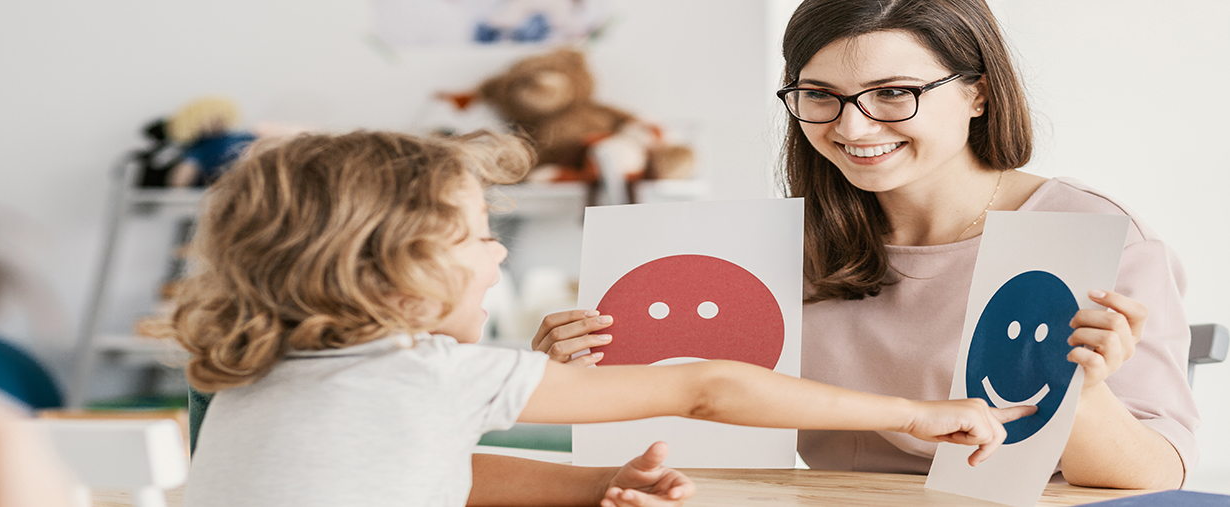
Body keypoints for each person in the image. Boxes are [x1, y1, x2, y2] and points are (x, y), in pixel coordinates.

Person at [158, 129, 1030, 507]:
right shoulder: (431, 371)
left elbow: (432, 471)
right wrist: (917, 413)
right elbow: (706, 385)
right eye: (479, 236)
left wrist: (594, 484)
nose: (497, 256)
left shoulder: (257, 375)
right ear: (388, 272)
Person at [535, 0, 1198, 491]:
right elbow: (708, 415)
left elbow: (1154, 475)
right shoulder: (776, 248)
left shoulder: (1085, 234)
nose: (853, 126)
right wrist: (582, 374)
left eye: (892, 93)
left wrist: (1080, 387)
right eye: (820, 95)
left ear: (978, 93)